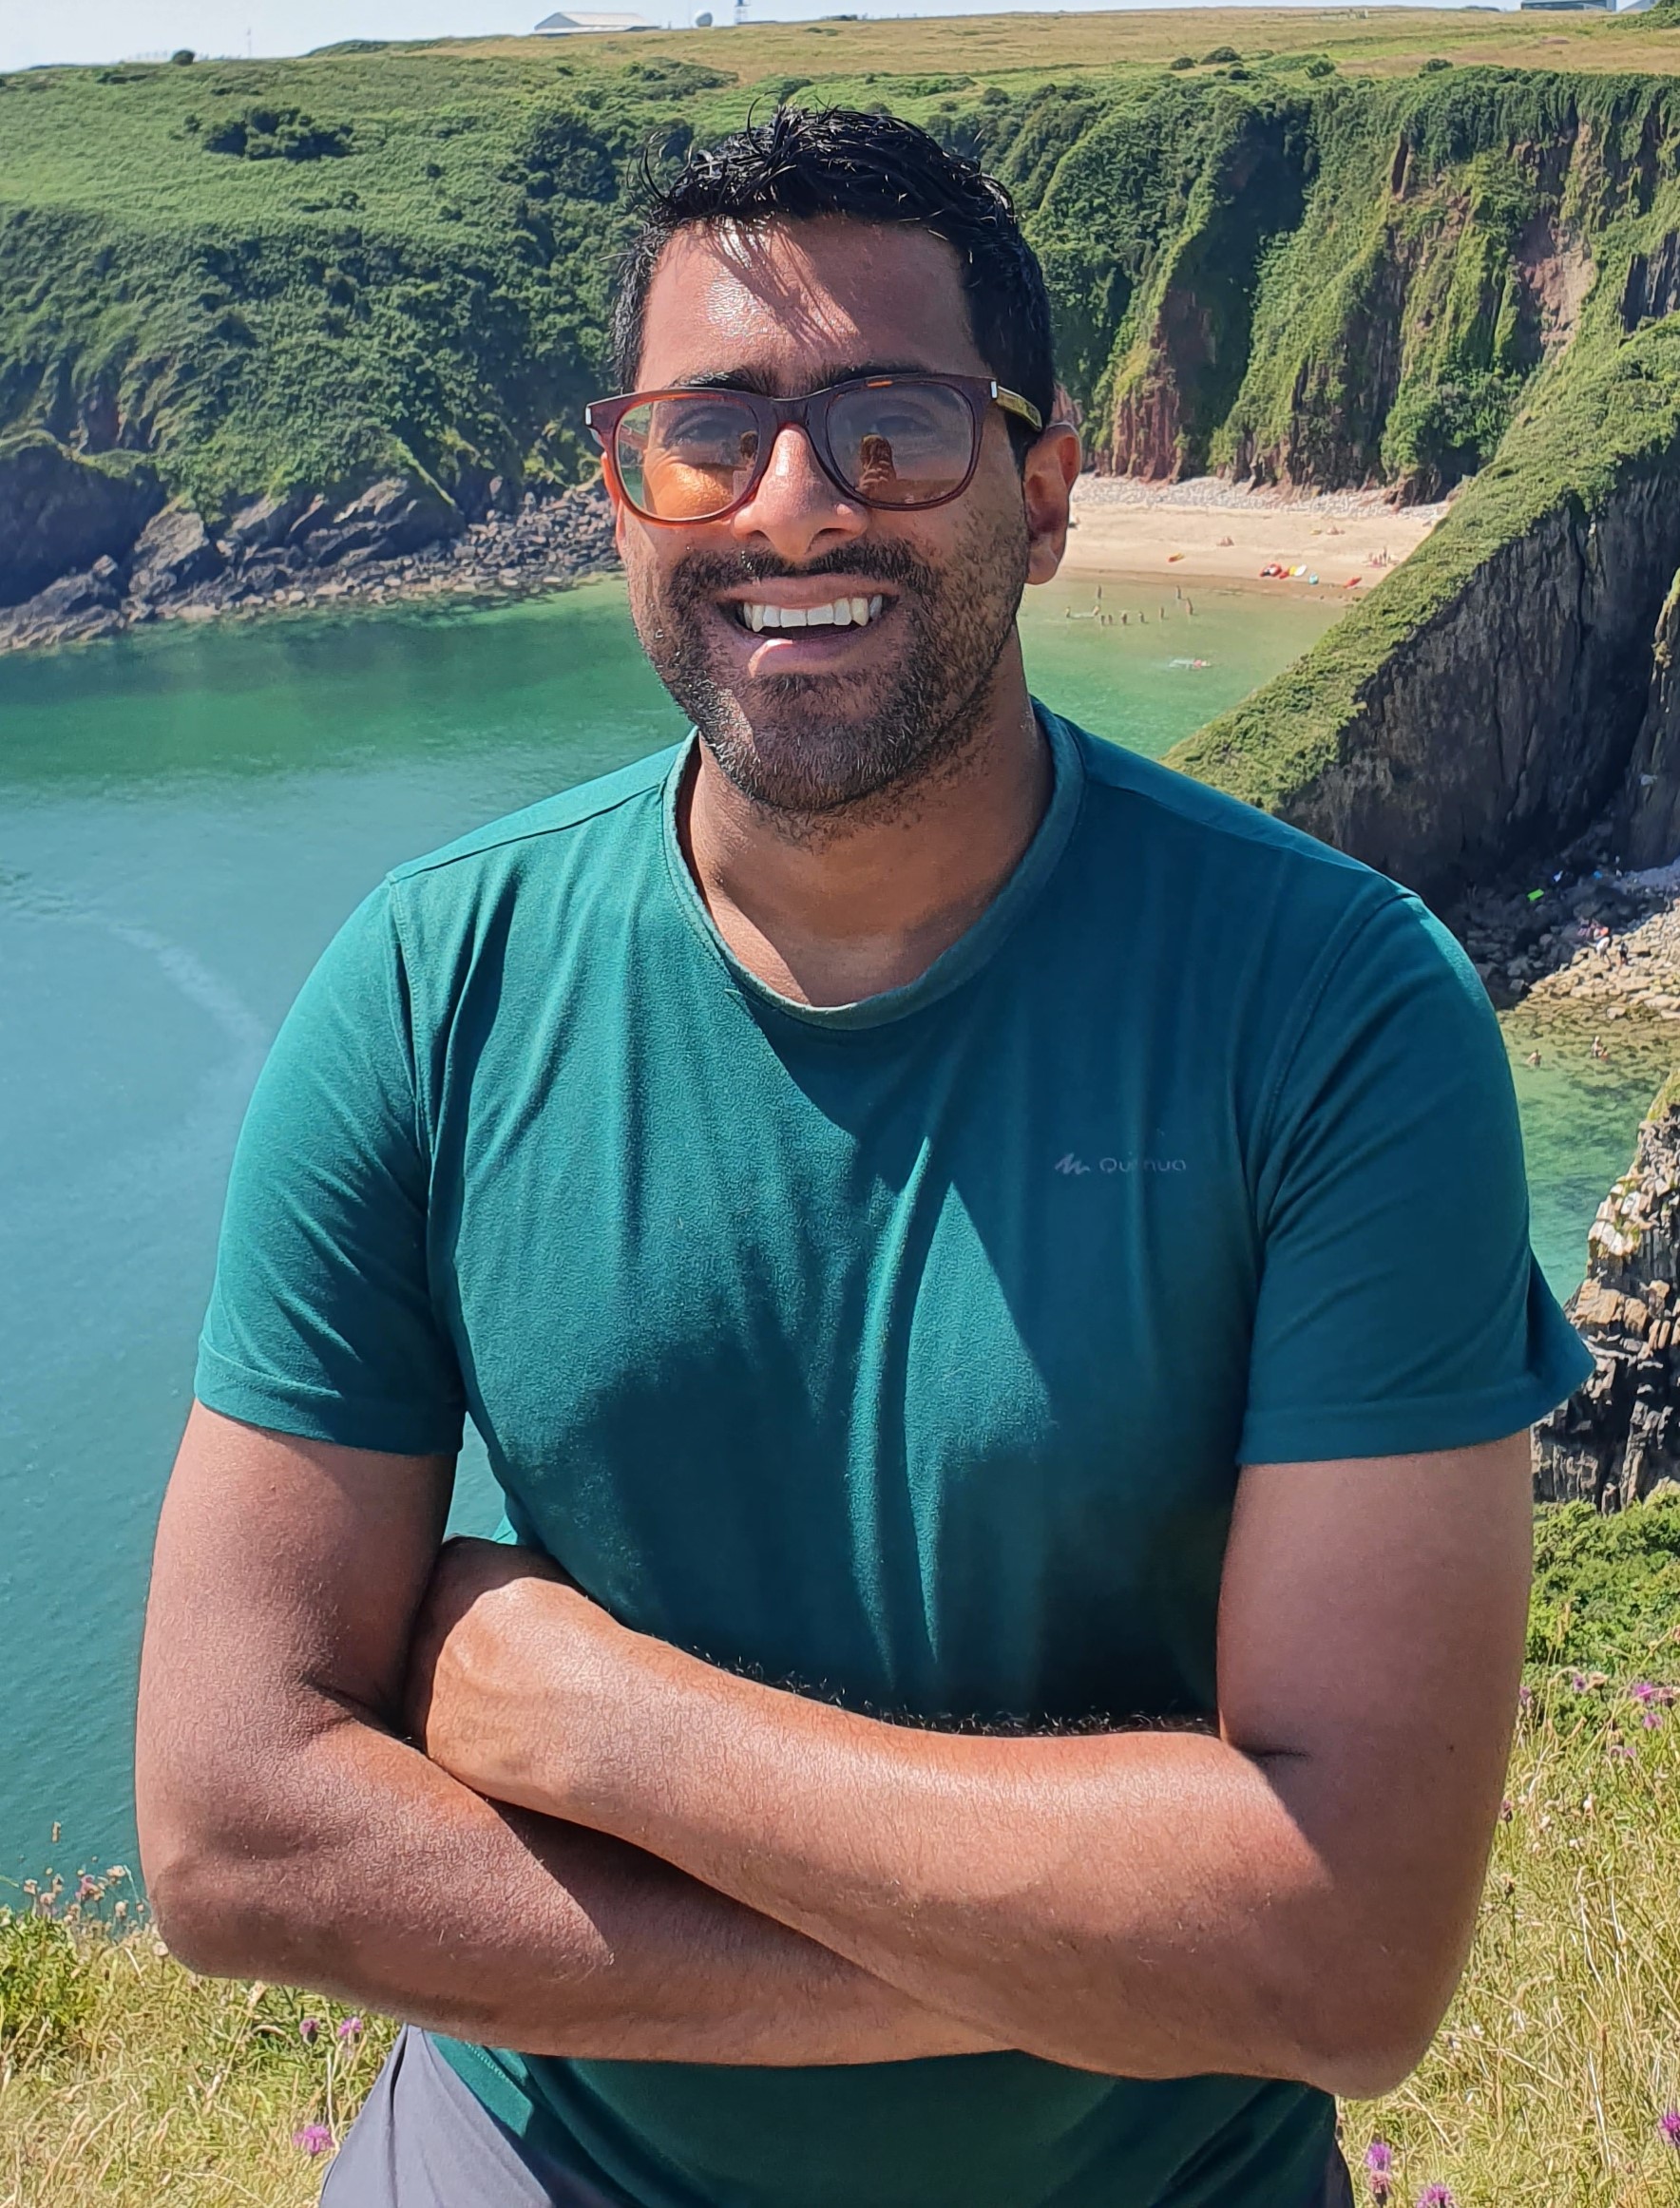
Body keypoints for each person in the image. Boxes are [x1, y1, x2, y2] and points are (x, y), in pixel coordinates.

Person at [135, 106, 1592, 2208]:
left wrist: (594, 1712)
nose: (792, 507)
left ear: (1049, 490)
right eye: (706, 434)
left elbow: (1346, 1963)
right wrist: (1100, 1955)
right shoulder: (431, 984)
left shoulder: (1336, 1007)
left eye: (891, 429)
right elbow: (228, 1835)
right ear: (620, 502)